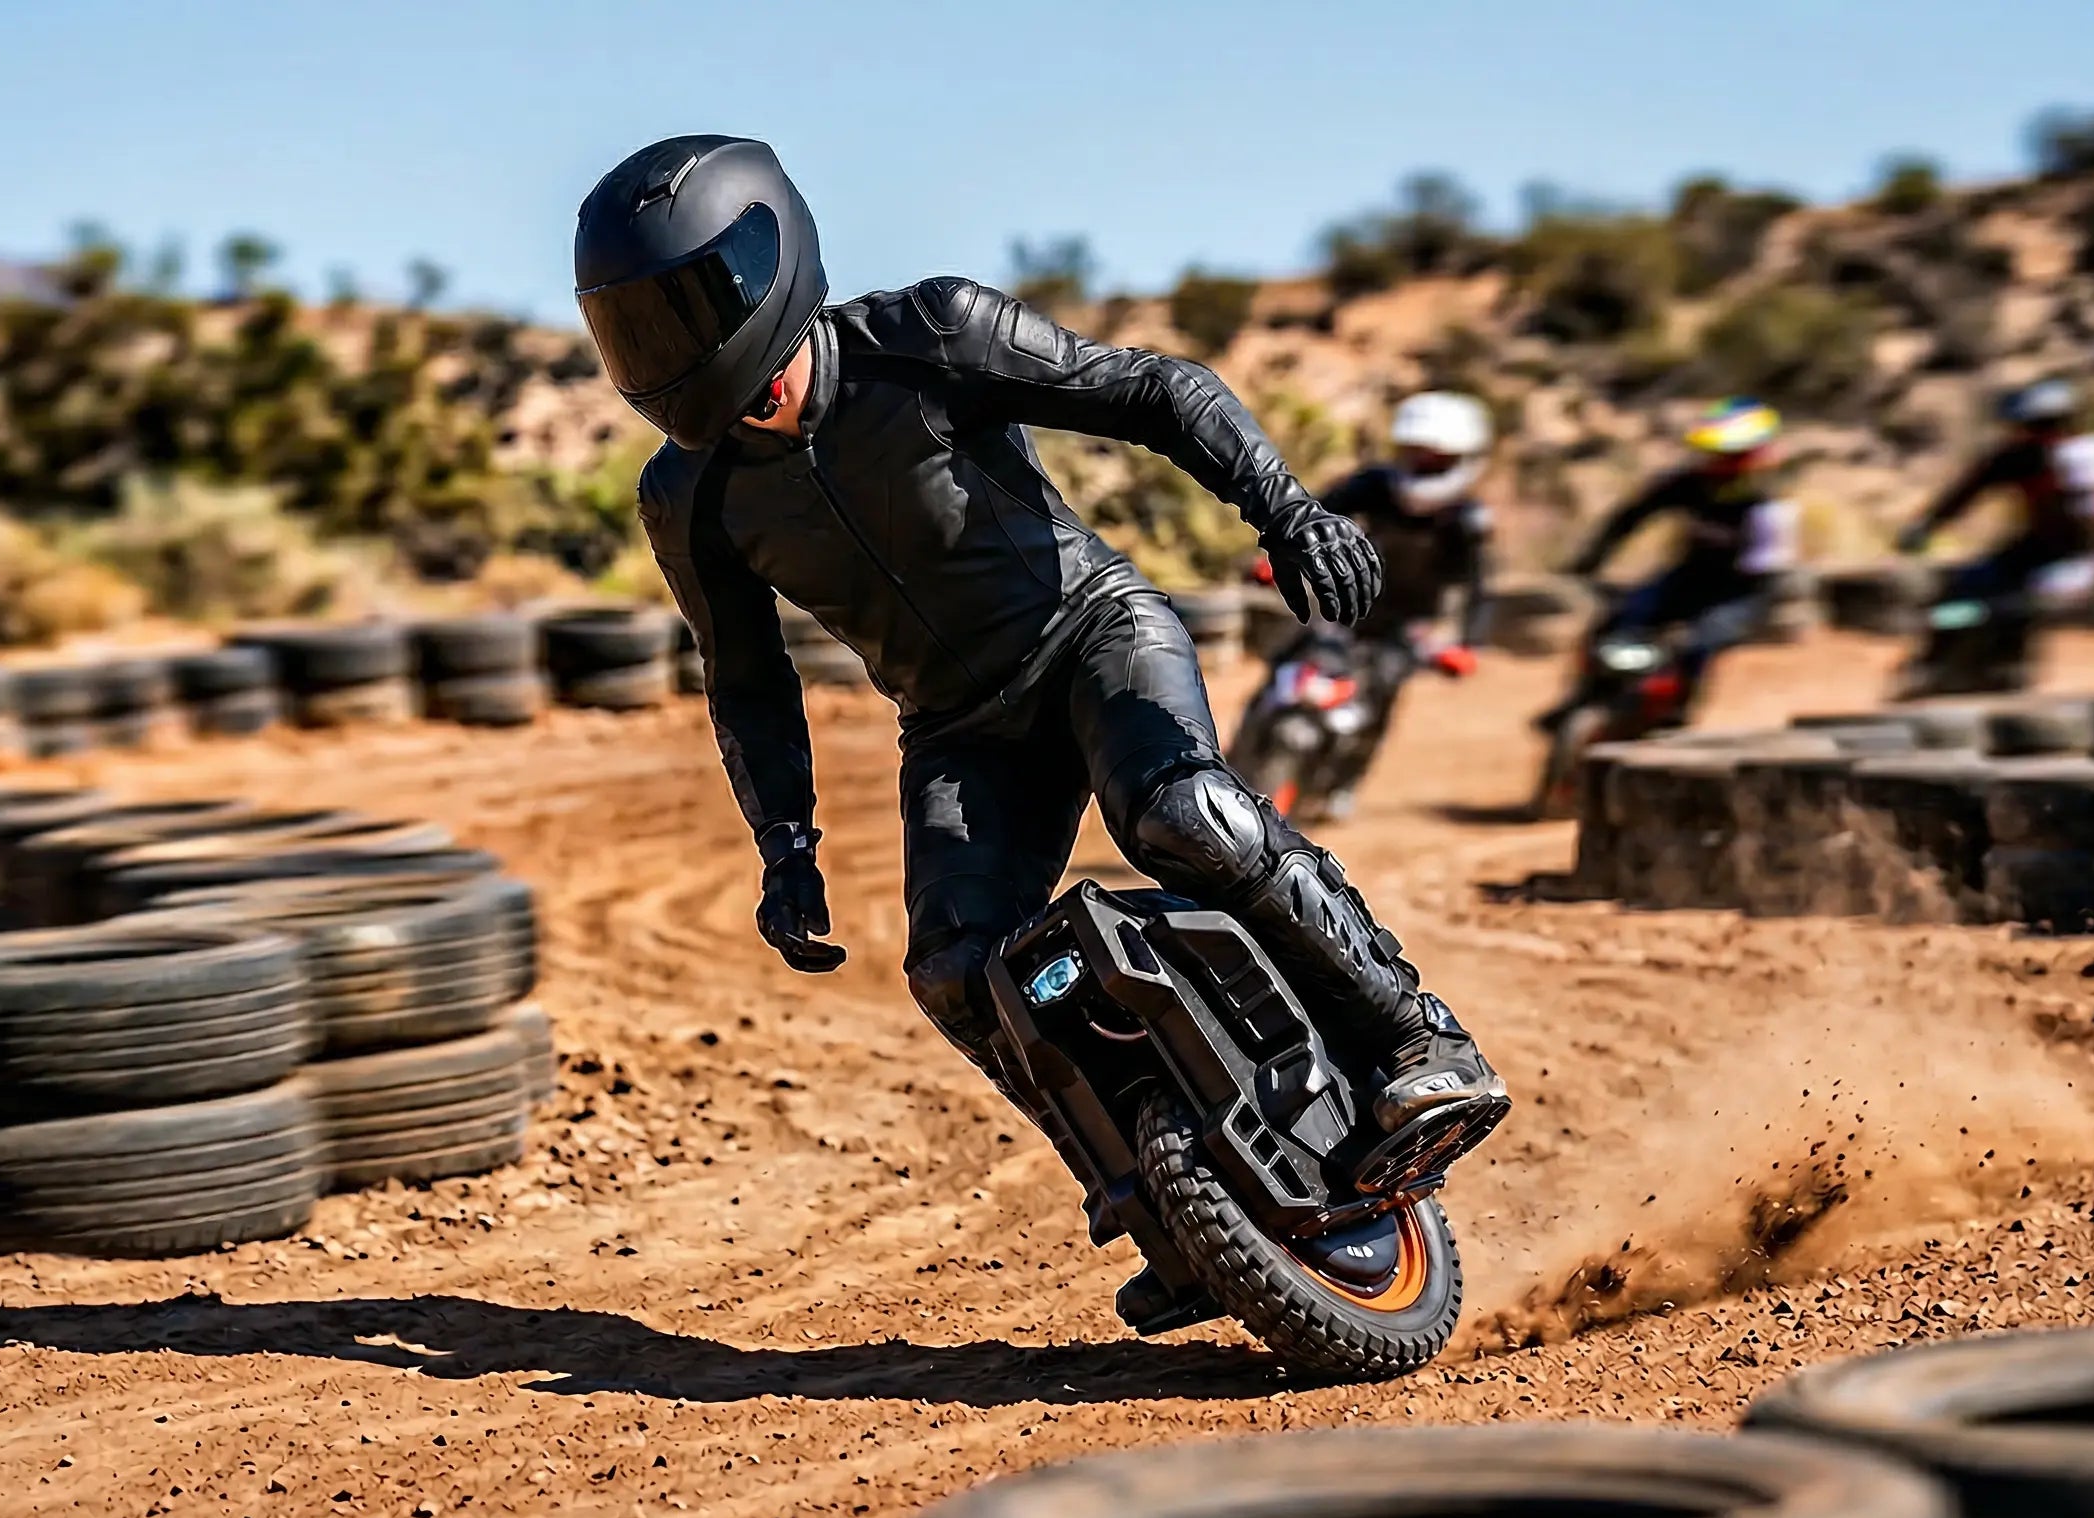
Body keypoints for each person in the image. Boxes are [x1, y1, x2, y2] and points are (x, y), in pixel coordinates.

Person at [575, 135, 1507, 1193]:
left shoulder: (926, 333)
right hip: (956, 726)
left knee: (1182, 816)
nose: (671, 351)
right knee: (953, 971)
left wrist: (1286, 513)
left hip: (1092, 635)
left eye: (690, 308)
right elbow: (744, 680)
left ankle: (1415, 1036)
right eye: (639, 328)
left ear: (769, 254)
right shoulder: (685, 496)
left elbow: (1153, 390)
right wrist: (783, 844)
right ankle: (1153, 1185)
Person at [1240, 391, 1493, 820]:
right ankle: (1235, 749)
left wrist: (1468, 644)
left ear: (1463, 461)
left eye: (1434, 460)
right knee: (1288, 661)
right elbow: (1311, 514)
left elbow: (1479, 588)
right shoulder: (1374, 485)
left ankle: (1344, 781)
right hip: (1343, 601)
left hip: (1406, 622)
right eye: (1413, 454)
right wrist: (1278, 556)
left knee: (1382, 689)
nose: (1420, 466)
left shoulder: (1466, 521)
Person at [1544, 396, 1799, 726]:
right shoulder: (1686, 484)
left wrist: (1726, 621)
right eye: (1714, 454)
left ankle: (1676, 714)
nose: (1718, 463)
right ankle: (1584, 695)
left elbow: (1766, 576)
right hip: (1686, 577)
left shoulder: (1768, 508)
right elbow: (1630, 517)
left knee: (1697, 645)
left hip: (1738, 593)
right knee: (1617, 621)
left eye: (1730, 455)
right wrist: (1590, 561)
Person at [1895, 378, 2094, 610]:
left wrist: (1923, 529)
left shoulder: (2022, 457)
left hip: (2050, 561)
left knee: (1960, 603)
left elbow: (1964, 494)